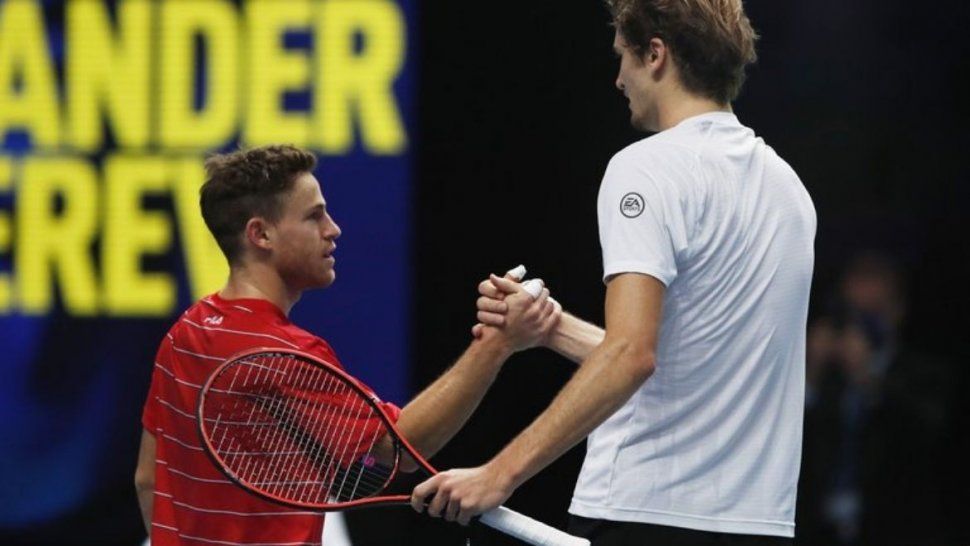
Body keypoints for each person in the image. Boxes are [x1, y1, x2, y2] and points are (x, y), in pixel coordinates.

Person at [411, 1, 817, 544]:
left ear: (656, 55)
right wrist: (550, 327)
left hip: (643, 513)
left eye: (622, 57)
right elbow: (685, 360)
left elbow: (632, 355)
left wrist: (497, 475)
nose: (617, 78)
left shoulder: (645, 168)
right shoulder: (789, 189)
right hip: (757, 526)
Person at [134, 145, 559, 546]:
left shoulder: (185, 332)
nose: (333, 229)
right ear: (260, 234)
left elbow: (148, 478)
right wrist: (497, 343)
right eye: (314, 217)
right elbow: (400, 450)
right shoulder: (285, 354)